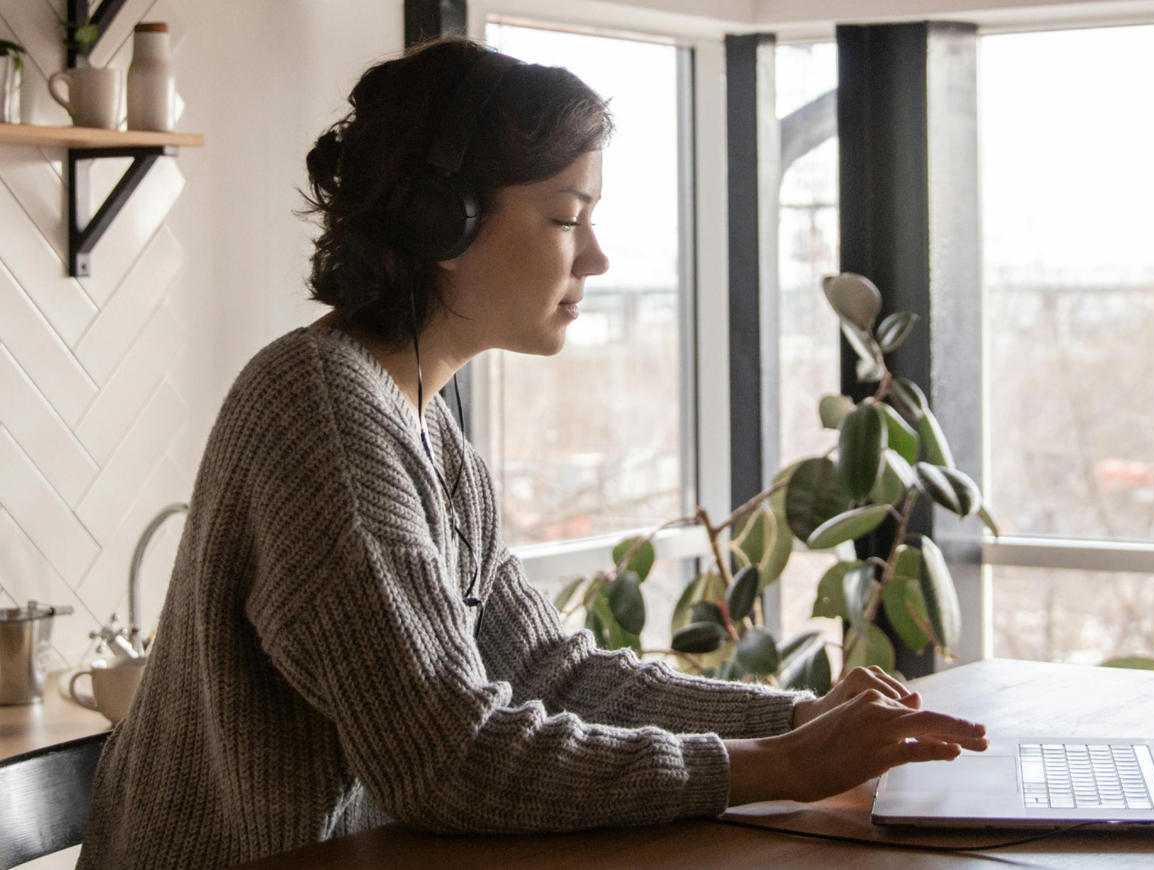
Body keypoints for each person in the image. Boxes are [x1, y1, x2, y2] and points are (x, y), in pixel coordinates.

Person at [80, 38, 986, 870]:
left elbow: (550, 672)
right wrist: (773, 763)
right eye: (567, 217)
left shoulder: (422, 423)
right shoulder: (323, 416)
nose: (594, 257)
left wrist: (793, 716)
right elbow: (449, 761)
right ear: (444, 225)